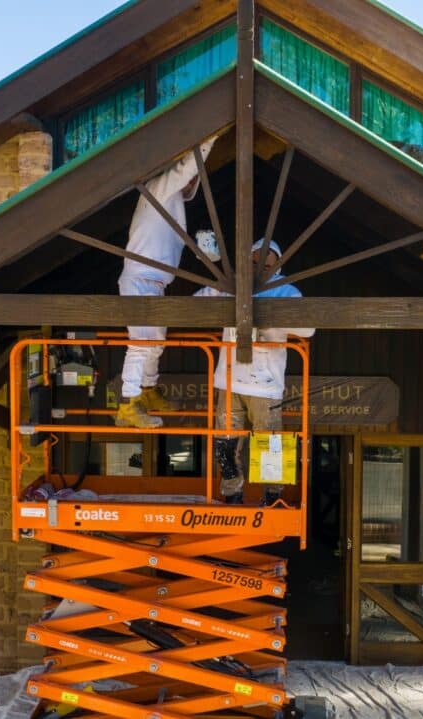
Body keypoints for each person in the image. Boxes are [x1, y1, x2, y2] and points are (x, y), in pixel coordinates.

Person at [195, 240, 314, 504]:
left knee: (270, 442)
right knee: (225, 443)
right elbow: (195, 306)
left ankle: (272, 498)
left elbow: (308, 329)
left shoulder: (286, 292)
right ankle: (232, 495)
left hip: (265, 385)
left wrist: (267, 314)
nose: (259, 266)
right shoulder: (229, 286)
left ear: (276, 264)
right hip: (229, 380)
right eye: (253, 260)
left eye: (266, 261)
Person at [116, 137, 217, 428]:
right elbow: (182, 172)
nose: (191, 182)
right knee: (141, 342)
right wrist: (209, 141)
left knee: (155, 343)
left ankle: (147, 391)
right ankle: (128, 403)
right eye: (190, 177)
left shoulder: (173, 207)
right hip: (139, 278)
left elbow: (186, 177)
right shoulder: (157, 189)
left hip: (156, 284)